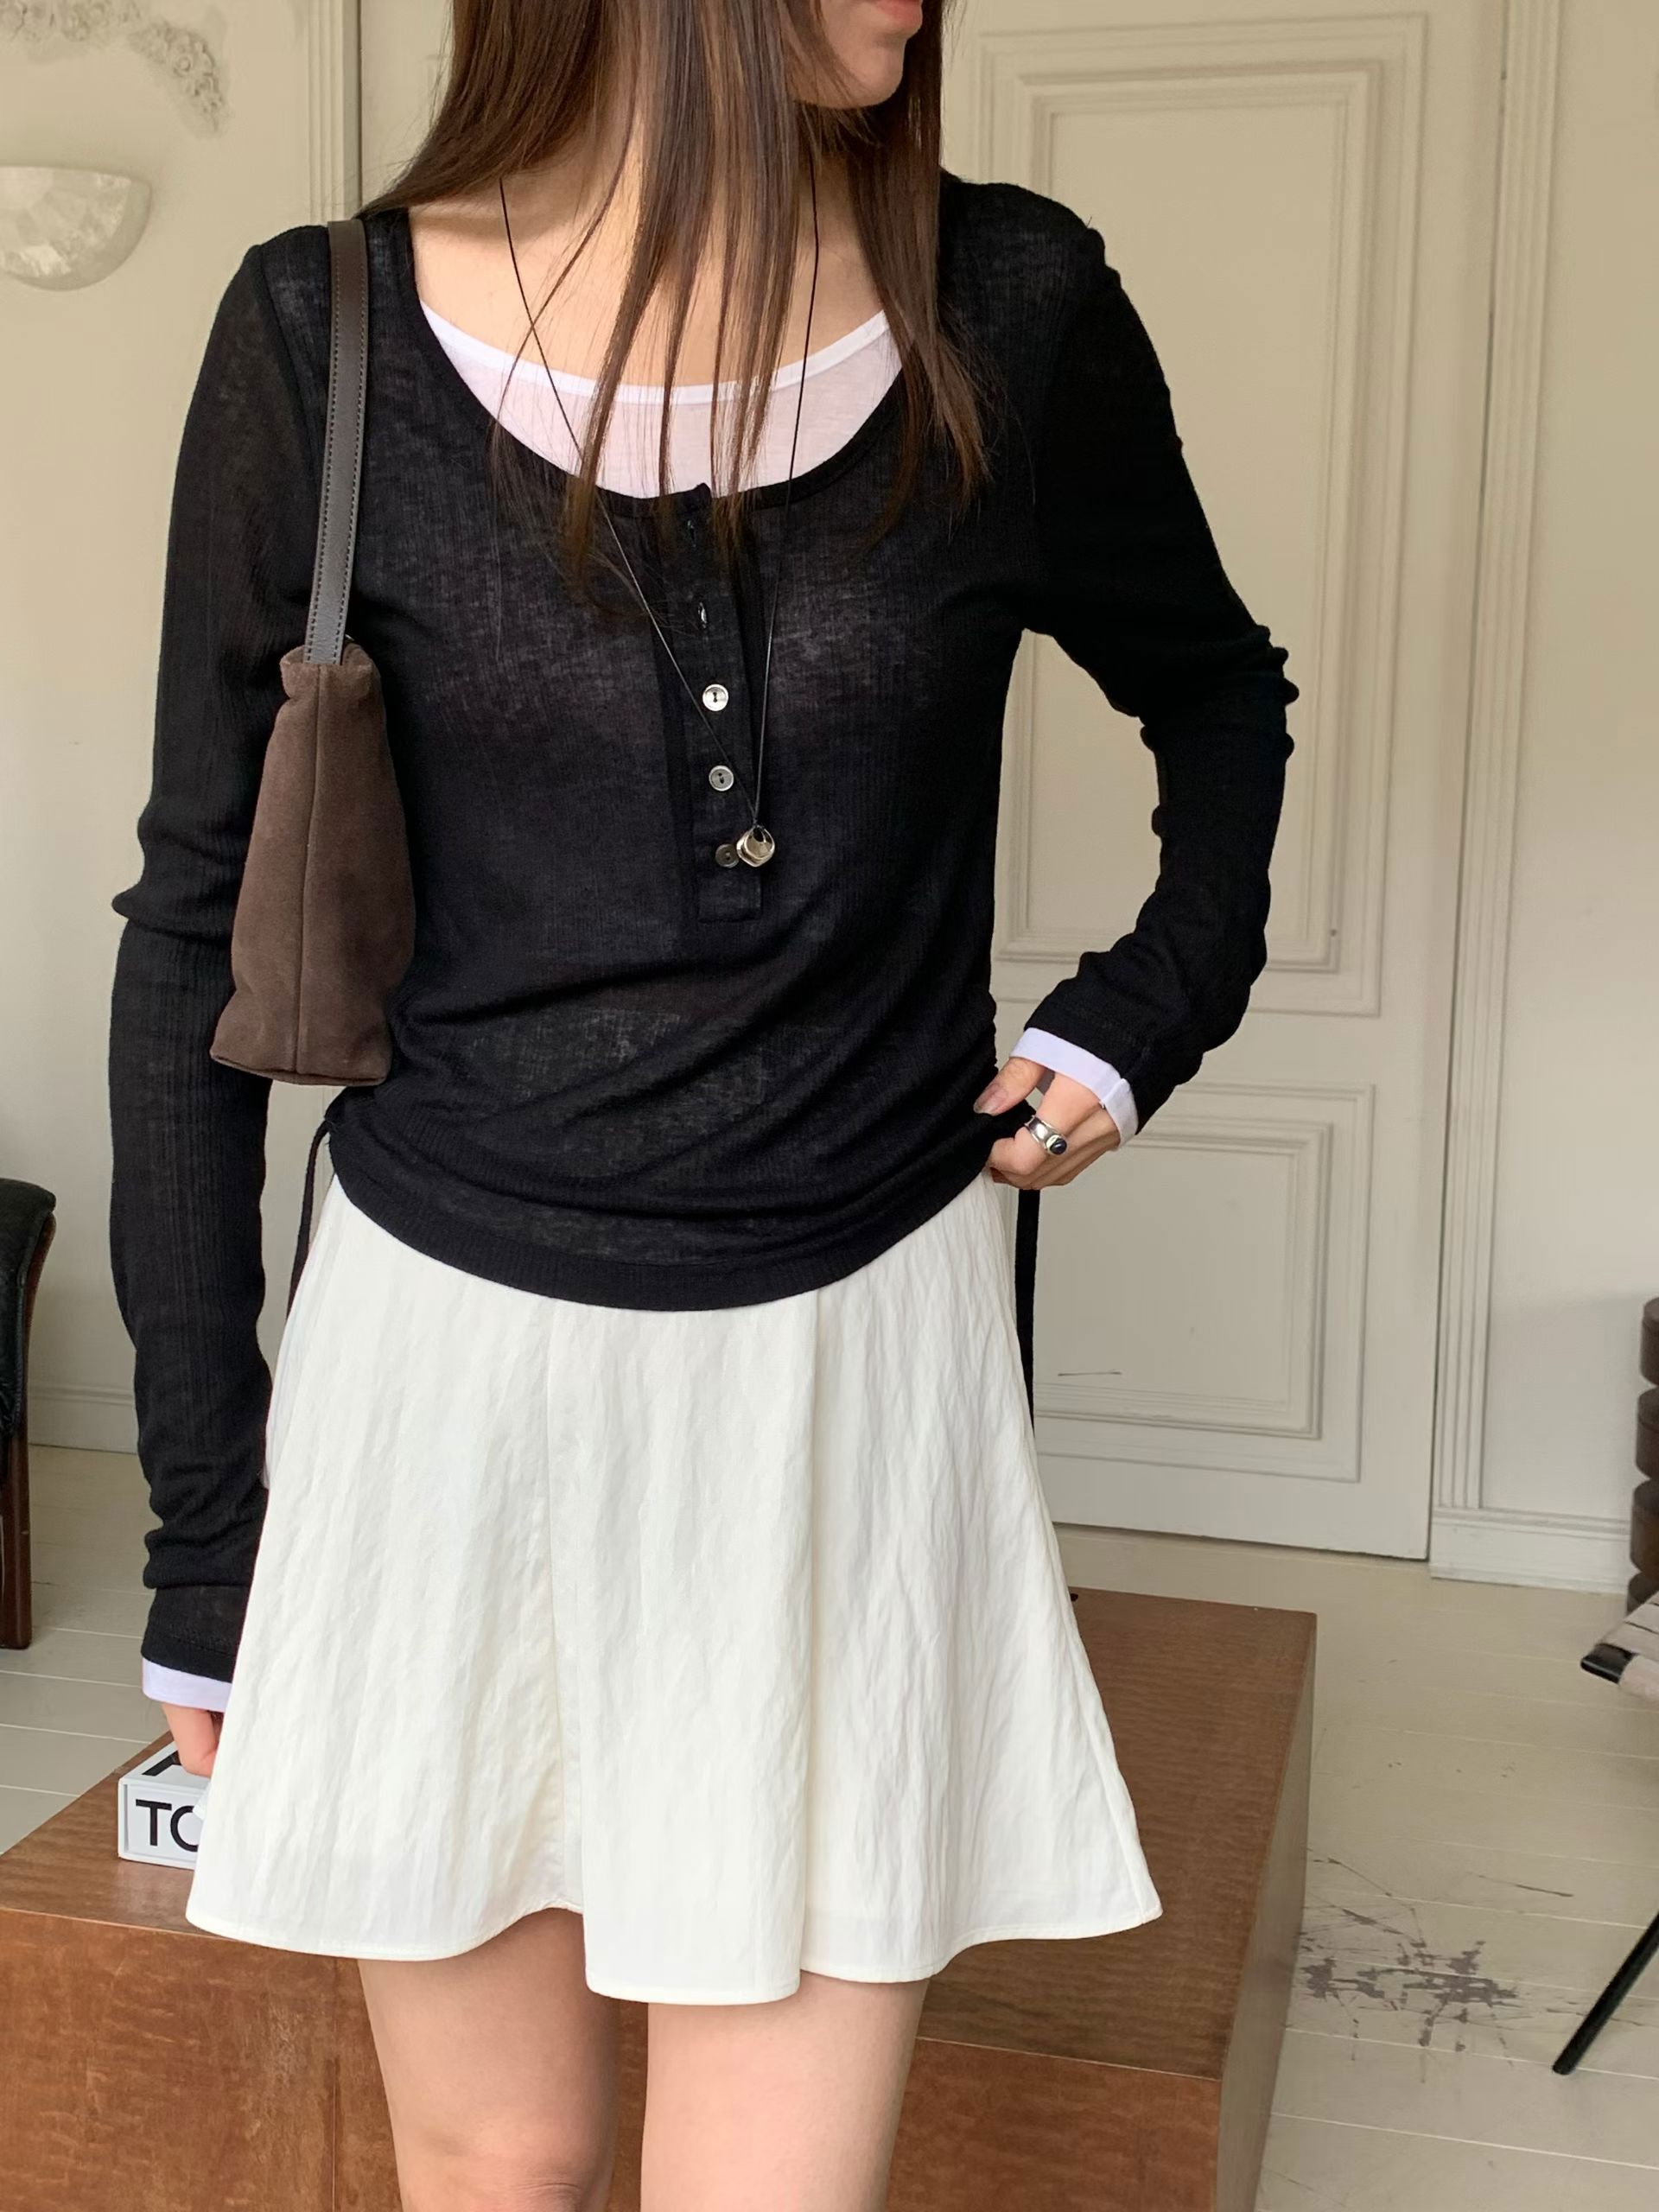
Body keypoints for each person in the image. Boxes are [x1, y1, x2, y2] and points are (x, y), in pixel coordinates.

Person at [106, 0, 1296, 2203]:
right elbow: (195, 930)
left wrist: (1152, 1006)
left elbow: (1219, 686)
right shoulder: (320, 331)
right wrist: (206, 1536)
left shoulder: (1008, 297)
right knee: (503, 2165)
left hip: (855, 1366)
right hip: (444, 1383)